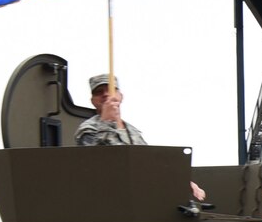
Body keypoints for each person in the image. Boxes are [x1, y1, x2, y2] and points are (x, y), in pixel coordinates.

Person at [77, 74, 205, 201]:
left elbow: (149, 162)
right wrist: (106, 122)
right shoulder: (88, 129)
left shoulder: (132, 131)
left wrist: (180, 181)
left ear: (120, 96)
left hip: (138, 195)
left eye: (110, 90)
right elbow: (93, 163)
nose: (105, 94)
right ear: (93, 101)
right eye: (99, 92)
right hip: (107, 197)